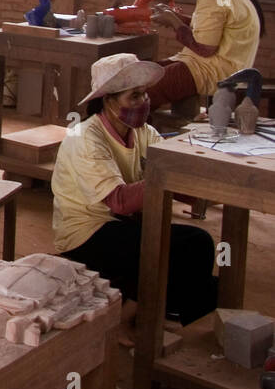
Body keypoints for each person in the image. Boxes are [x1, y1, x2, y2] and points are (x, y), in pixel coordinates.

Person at [51, 54, 217, 331]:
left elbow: (168, 164)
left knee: (199, 245)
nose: (143, 103)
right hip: (86, 231)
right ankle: (131, 317)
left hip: (123, 224)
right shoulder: (85, 137)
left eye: (145, 95)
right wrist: (171, 176)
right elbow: (120, 201)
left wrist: (202, 170)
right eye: (134, 97)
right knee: (173, 249)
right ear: (109, 100)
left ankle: (161, 310)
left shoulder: (143, 132)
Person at [145, 0, 264, 111]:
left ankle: (128, 136)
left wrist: (174, 21)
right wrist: (175, 17)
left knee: (139, 94)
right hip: (218, 65)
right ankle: (138, 132)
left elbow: (205, 48)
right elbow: (210, 27)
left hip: (214, 71)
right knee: (141, 75)